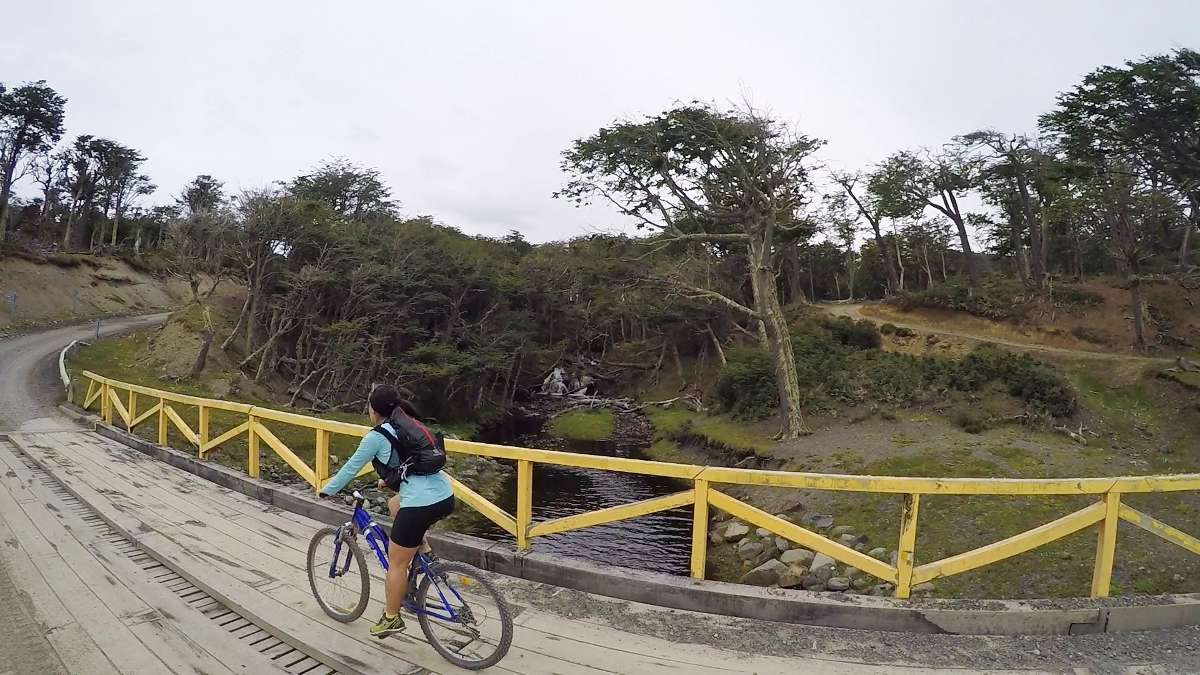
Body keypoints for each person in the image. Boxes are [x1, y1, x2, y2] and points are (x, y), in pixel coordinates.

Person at [318, 385, 455, 638]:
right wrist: (386, 480)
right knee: (394, 504)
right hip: (444, 496)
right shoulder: (407, 424)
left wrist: (326, 490)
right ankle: (424, 552)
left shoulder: (376, 436)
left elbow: (350, 468)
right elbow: (407, 462)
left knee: (396, 563)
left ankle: (392, 619)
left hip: (421, 503)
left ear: (373, 410)